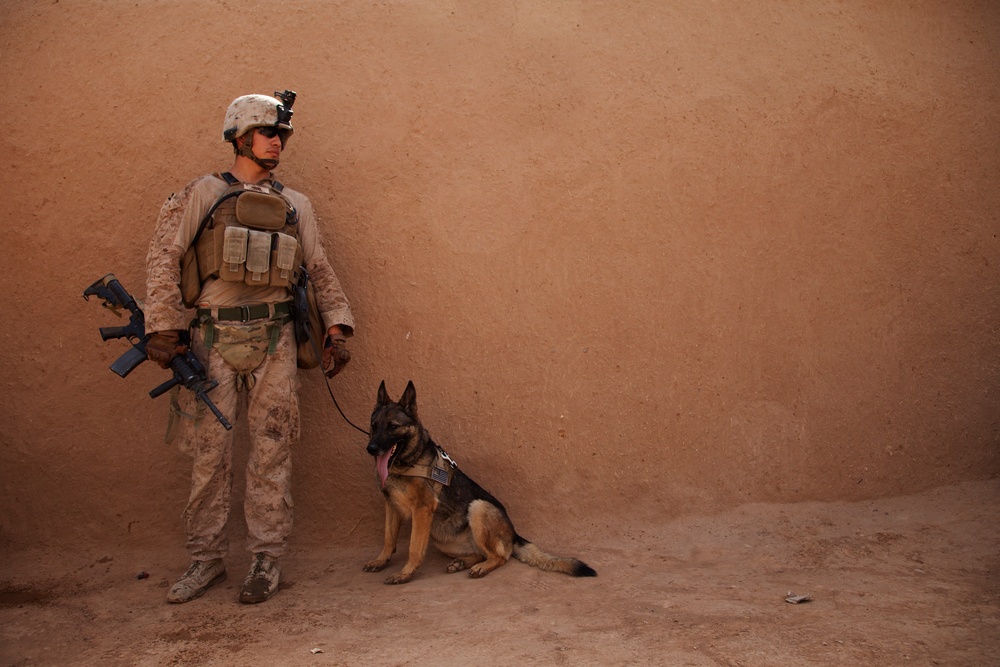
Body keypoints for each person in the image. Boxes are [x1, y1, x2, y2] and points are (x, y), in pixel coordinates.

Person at [143, 91, 354, 604]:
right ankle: (205, 559)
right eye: (267, 133)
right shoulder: (201, 193)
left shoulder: (295, 204)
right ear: (240, 137)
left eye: (281, 135)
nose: (277, 143)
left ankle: (265, 559)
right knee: (208, 455)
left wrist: (338, 325)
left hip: (275, 337)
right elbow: (164, 258)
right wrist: (164, 326)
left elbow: (319, 266)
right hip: (212, 336)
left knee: (273, 447)